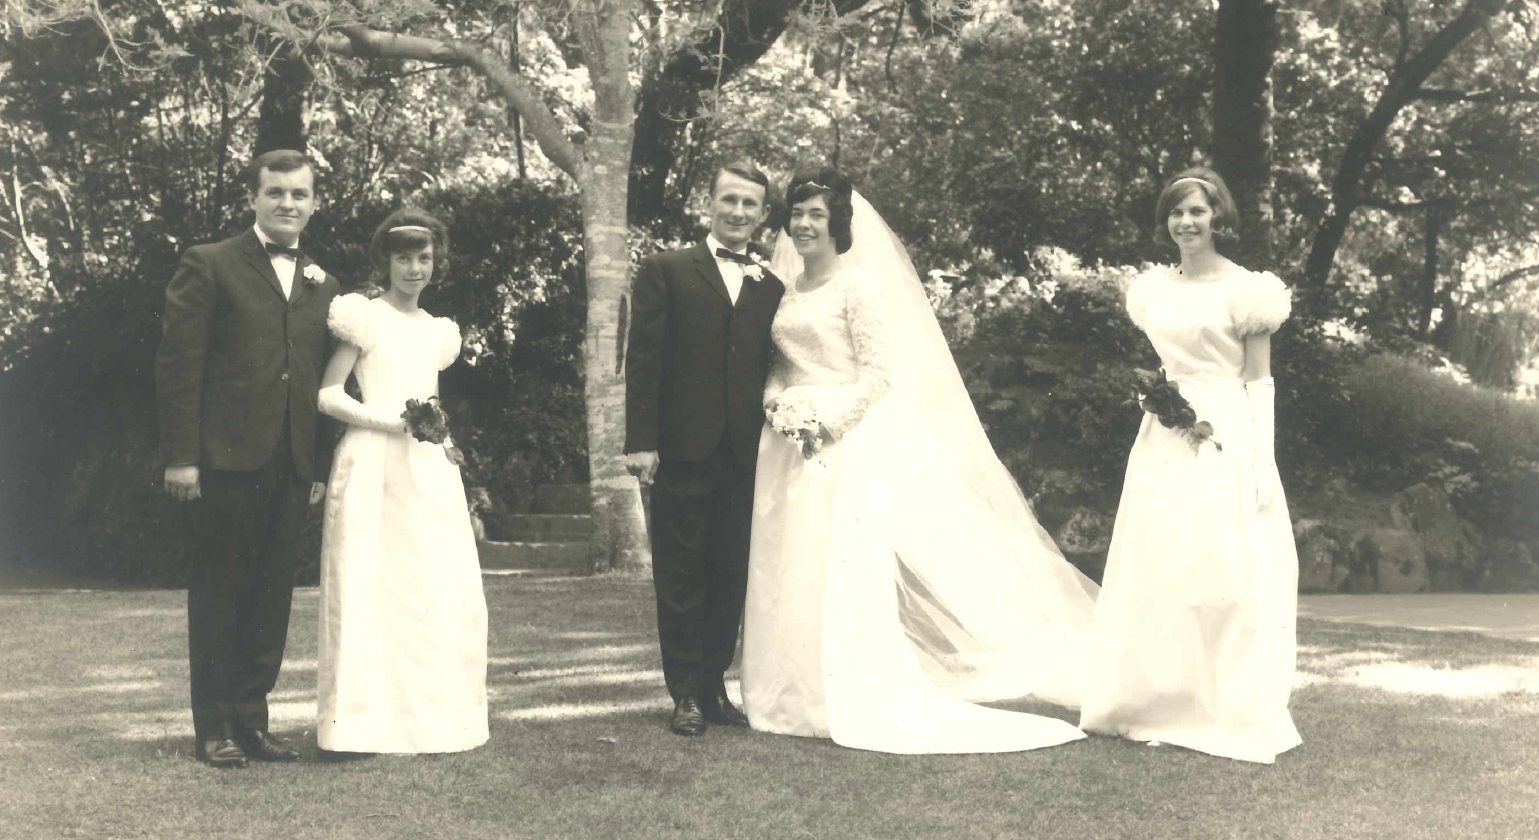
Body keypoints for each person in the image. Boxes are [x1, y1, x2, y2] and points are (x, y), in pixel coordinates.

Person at [739, 167, 1099, 754]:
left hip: (840, 445)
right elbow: (778, 364)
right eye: (797, 213)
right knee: (784, 565)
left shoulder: (858, 287)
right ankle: (786, 694)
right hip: (784, 445)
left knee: (836, 567)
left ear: (838, 225)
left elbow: (879, 373)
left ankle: (840, 690)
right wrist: (776, 405)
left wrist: (829, 424)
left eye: (816, 215)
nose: (803, 225)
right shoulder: (785, 290)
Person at [1078, 167, 1302, 764]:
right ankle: (1152, 700)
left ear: (1218, 216)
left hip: (1225, 430)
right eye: (1177, 213)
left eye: (1198, 211)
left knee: (1220, 568)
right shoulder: (1153, 288)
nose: (1187, 222)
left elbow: (1260, 382)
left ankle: (1221, 705)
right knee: (1160, 562)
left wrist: (1263, 459)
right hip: (1164, 433)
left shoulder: (1249, 291)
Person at [156, 148, 338, 768]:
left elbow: (314, 382)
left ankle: (253, 722)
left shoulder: (324, 283)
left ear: (314, 203)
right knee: (219, 593)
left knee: (270, 598)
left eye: (300, 194)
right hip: (225, 461)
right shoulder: (209, 264)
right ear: (254, 198)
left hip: (289, 464)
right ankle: (214, 729)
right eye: (276, 192)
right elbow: (180, 369)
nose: (288, 203)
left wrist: (313, 465)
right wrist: (182, 458)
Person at [313, 209, 489, 754]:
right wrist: (392, 422)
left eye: (424, 258)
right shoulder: (364, 318)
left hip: (427, 469)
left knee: (430, 585)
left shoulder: (438, 331)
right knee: (367, 580)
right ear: (384, 261)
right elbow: (329, 395)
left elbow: (429, 401)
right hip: (370, 463)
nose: (414, 269)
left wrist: (441, 438)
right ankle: (360, 725)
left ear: (437, 261)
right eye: (403, 258)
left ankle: (431, 717)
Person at [624, 161, 785, 737]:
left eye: (751, 204)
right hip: (682, 449)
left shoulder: (772, 287)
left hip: (748, 455)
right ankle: (685, 693)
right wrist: (641, 442)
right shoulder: (666, 269)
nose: (739, 212)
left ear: (764, 216)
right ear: (709, 203)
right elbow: (642, 361)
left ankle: (716, 687)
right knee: (682, 573)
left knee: (730, 574)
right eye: (730, 200)